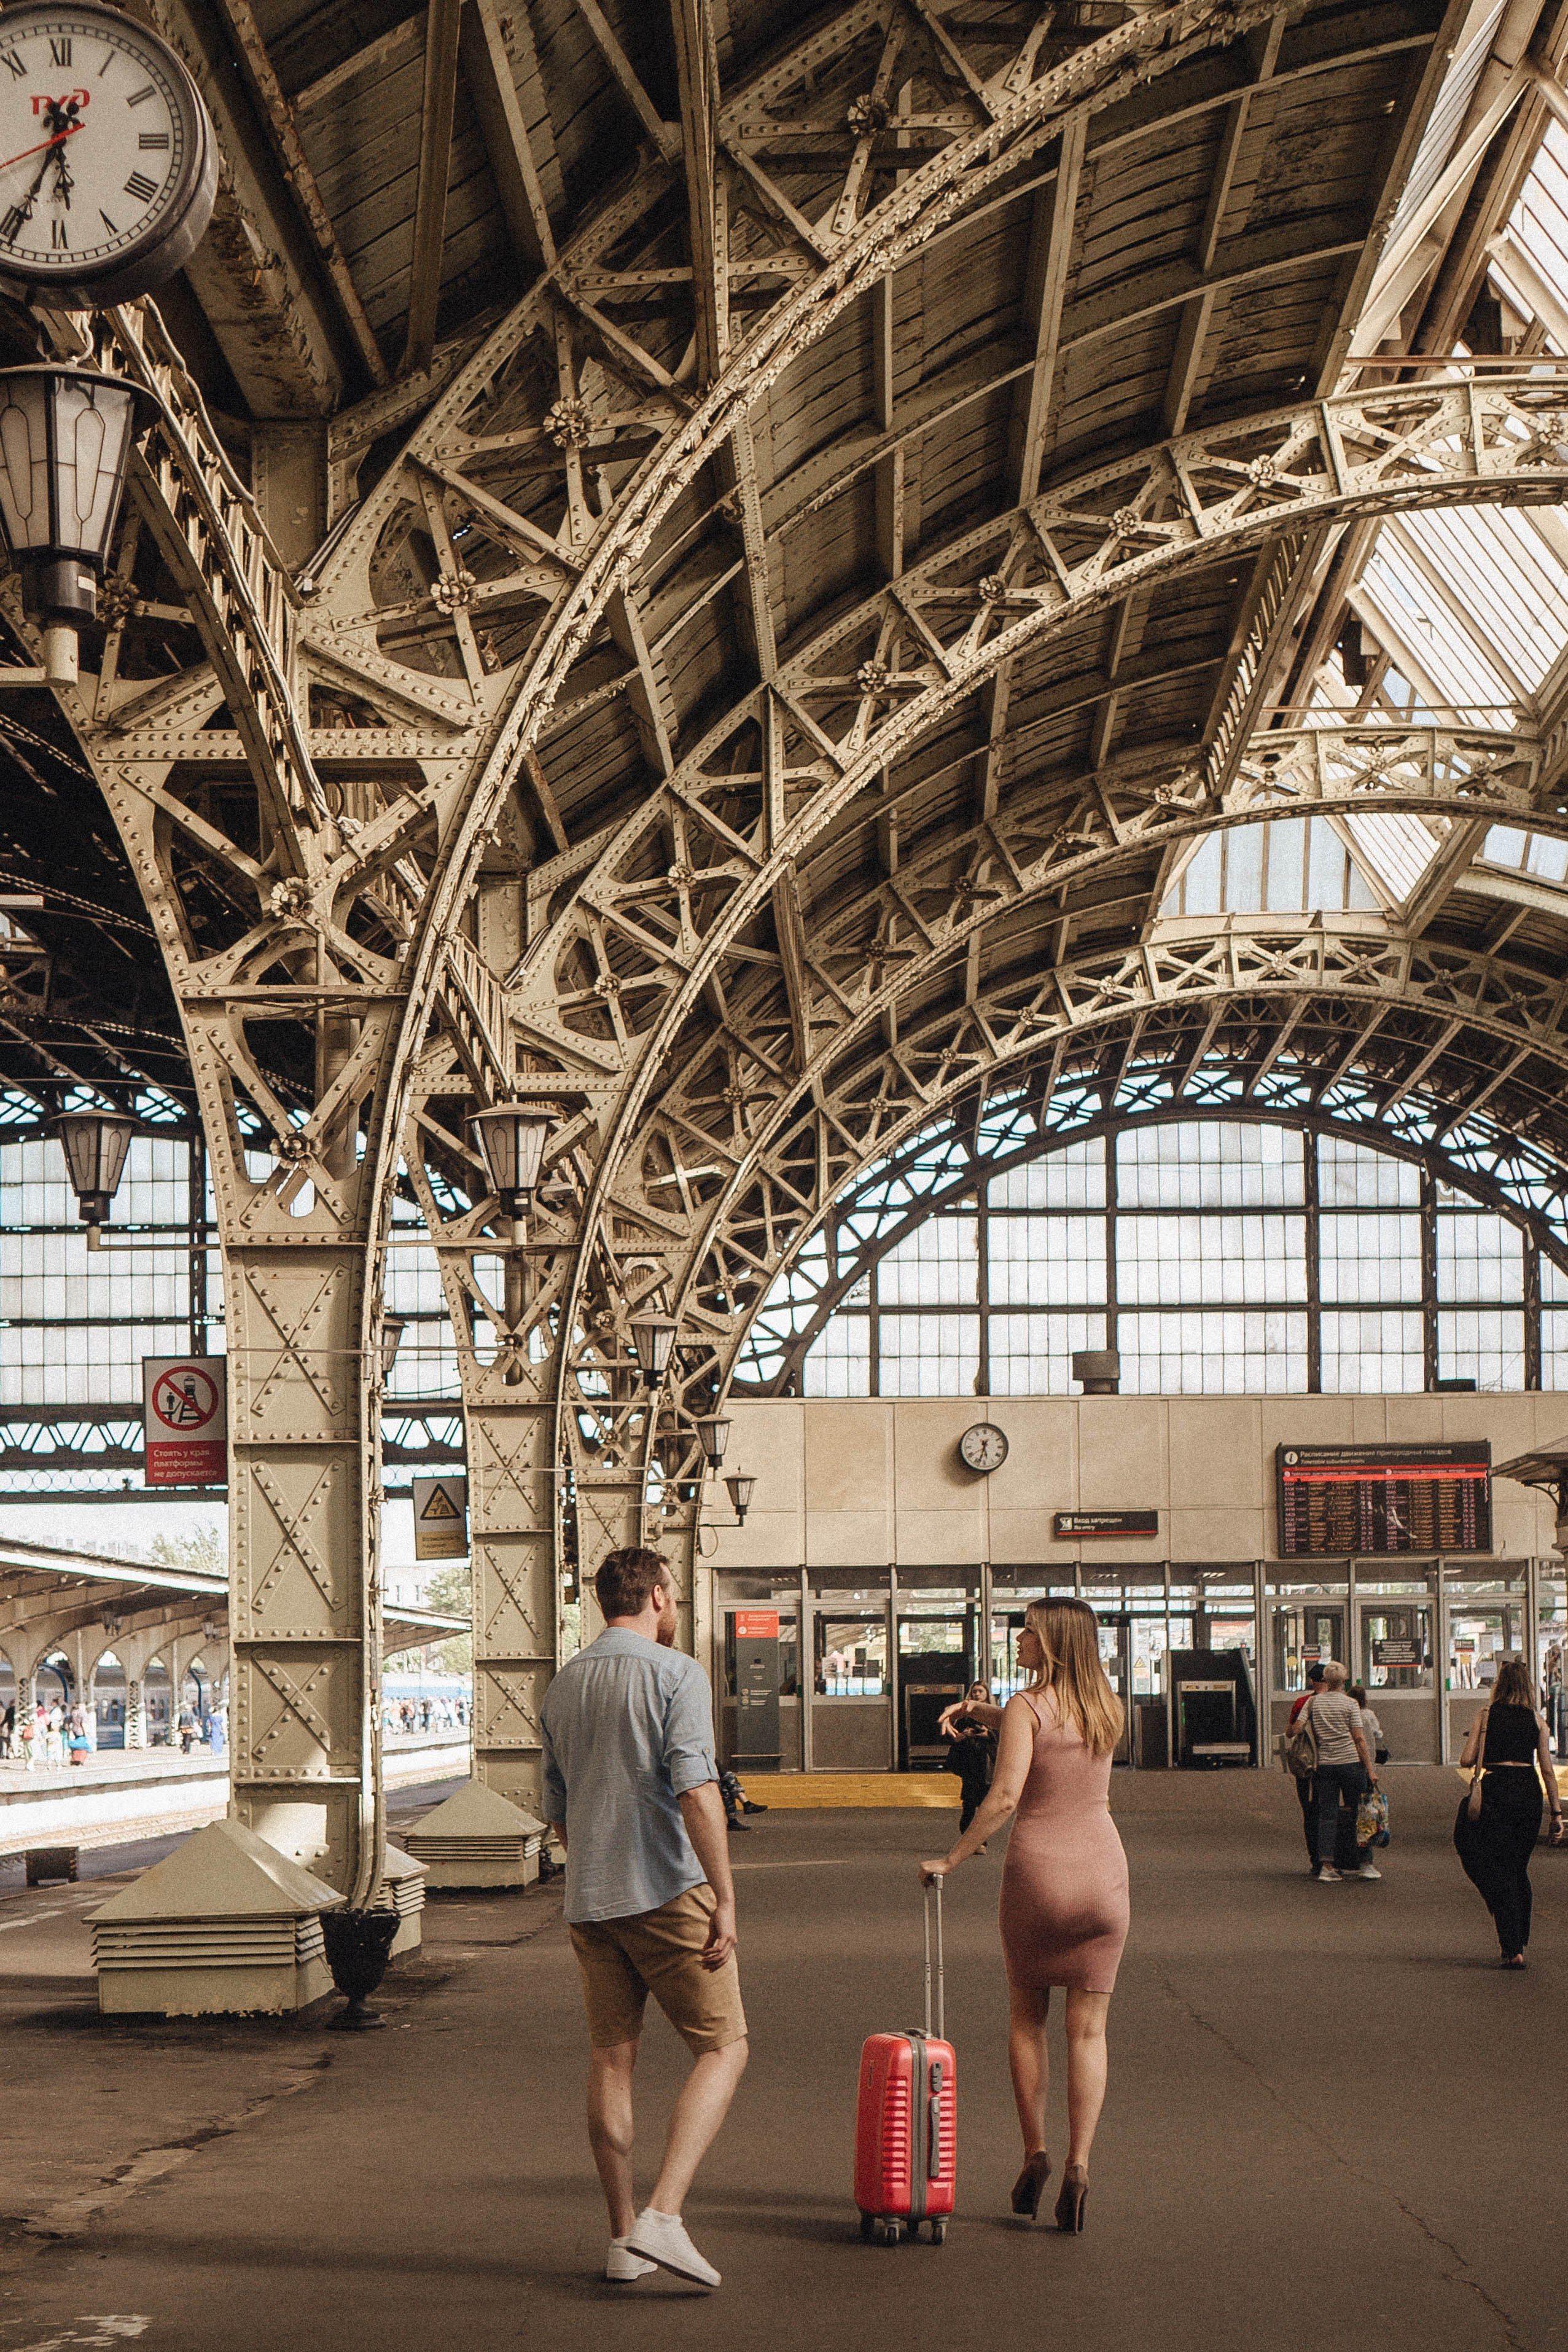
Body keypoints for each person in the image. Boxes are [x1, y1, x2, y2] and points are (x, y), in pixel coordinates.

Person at [541, 1546, 746, 2291]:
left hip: (591, 1900)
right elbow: (697, 1790)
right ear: (658, 1594)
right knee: (725, 2048)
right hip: (666, 1889)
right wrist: (724, 1896)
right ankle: (666, 2213)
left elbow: (559, 1813)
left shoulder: (562, 1686)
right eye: (675, 1596)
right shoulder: (676, 1672)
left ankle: (623, 2239)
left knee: (611, 2060)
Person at [921, 1599, 1128, 2235]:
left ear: (1054, 1641)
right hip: (1105, 1878)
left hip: (1040, 1875)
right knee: (1088, 2033)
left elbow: (1006, 1793)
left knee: (1027, 2021)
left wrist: (952, 1858)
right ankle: (1079, 2166)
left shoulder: (1026, 1705)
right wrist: (980, 1709)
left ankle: (1035, 2152)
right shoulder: (1109, 1706)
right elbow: (1040, 1722)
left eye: (1029, 1631)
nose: (1019, 1639)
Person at [1455, 1655, 1564, 1967]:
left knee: (1489, 1860)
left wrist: (1483, 1742)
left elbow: (1466, 1760)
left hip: (1496, 1790)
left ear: (1499, 1685)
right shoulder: (1537, 1721)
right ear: (1528, 1687)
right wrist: (1556, 1814)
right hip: (1528, 1793)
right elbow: (1547, 1771)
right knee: (1518, 1867)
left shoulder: (1486, 1715)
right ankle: (1519, 1937)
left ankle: (1511, 1943)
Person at [1304, 1662, 1379, 1883]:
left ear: (1325, 1680)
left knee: (1327, 1815)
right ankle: (1365, 1863)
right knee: (1361, 1814)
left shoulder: (1314, 1702)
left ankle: (1327, 1866)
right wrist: (1370, 1769)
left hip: (1325, 1766)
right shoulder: (1351, 1704)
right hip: (1351, 1764)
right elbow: (1360, 1740)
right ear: (1345, 1681)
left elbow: (1296, 1728)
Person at [942, 1681, 997, 1835]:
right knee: (969, 1803)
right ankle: (968, 1835)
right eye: (975, 1692)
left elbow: (1003, 1734)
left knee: (985, 1804)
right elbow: (952, 1733)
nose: (977, 1695)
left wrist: (988, 1734)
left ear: (987, 1693)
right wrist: (960, 1736)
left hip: (987, 1762)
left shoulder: (994, 1713)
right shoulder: (964, 1714)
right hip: (970, 1762)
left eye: (980, 1691)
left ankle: (980, 1838)